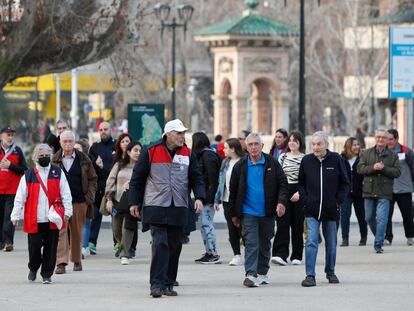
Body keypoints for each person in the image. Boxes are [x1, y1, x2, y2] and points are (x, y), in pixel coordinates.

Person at [128, 119, 205, 298]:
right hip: (156, 206)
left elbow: (197, 178)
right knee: (160, 243)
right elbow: (137, 179)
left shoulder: (188, 153)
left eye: (183, 133)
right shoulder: (151, 151)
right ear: (168, 134)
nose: (182, 136)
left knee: (174, 246)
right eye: (179, 133)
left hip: (179, 206)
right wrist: (134, 202)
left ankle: (168, 283)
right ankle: (156, 284)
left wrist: (200, 198)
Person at [229, 132, 288, 288]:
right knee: (251, 242)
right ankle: (250, 274)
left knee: (264, 242)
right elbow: (233, 191)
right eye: (250, 144)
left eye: (256, 144)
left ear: (262, 146)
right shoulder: (240, 166)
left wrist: (281, 202)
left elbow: (283, 184)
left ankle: (262, 272)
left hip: (268, 212)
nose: (254, 147)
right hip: (248, 212)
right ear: (246, 147)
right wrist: (234, 214)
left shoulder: (272, 163)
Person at [10, 144, 73, 284]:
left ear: (50, 157)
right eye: (41, 156)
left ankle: (46, 274)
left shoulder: (57, 172)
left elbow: (66, 194)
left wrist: (68, 212)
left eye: (47, 155)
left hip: (53, 218)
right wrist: (15, 215)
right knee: (34, 248)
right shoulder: (28, 175)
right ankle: (33, 267)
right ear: (35, 158)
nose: (44, 158)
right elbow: (20, 197)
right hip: (34, 218)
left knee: (51, 249)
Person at [299, 131, 349, 287]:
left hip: (331, 210)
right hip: (311, 210)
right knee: (311, 242)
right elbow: (300, 183)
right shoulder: (306, 161)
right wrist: (305, 200)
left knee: (331, 243)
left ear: (326, 145)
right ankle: (310, 276)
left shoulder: (336, 160)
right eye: (313, 144)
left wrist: (338, 201)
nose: (315, 147)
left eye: (319, 144)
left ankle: (330, 272)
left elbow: (345, 183)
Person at [53, 130, 97, 274]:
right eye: (64, 141)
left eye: (70, 141)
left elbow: (92, 179)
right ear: (60, 142)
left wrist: (88, 197)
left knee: (77, 232)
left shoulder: (84, 159)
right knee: (61, 232)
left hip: (79, 201)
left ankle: (76, 260)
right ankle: (61, 263)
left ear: (74, 142)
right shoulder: (54, 160)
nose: (67, 144)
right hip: (60, 203)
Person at [357, 128, 401, 253]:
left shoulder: (393, 155)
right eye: (378, 137)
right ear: (375, 138)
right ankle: (379, 236)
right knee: (368, 217)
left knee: (382, 219)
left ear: (387, 140)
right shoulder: (367, 153)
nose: (380, 139)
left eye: (383, 137)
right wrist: (373, 168)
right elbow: (360, 169)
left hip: (384, 191)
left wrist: (383, 168)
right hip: (369, 190)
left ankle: (378, 244)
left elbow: (397, 172)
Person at [271, 131, 306, 266]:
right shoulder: (283, 157)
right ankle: (280, 254)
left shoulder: (305, 158)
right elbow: (278, 177)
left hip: (298, 192)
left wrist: (300, 193)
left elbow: (306, 180)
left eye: (295, 141)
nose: (292, 143)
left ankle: (297, 255)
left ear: (300, 143)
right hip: (284, 191)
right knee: (282, 223)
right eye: (290, 140)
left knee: (297, 225)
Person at [106, 141, 142, 265]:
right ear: (128, 152)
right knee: (116, 229)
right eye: (135, 150)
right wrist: (109, 200)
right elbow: (110, 181)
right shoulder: (119, 165)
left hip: (133, 202)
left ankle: (124, 254)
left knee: (128, 228)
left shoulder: (142, 166)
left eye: (140, 151)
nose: (138, 153)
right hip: (117, 201)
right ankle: (123, 246)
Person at [214, 138, 245, 266]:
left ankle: (250, 254)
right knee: (232, 229)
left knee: (245, 229)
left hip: (243, 201)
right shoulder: (225, 162)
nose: (223, 150)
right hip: (227, 200)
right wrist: (217, 199)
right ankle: (236, 255)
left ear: (233, 149)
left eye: (226, 147)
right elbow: (220, 183)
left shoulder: (245, 162)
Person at [192, 132, 221, 264]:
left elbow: (213, 180)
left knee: (207, 224)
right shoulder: (206, 154)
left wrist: (210, 199)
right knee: (204, 225)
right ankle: (209, 251)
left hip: (208, 198)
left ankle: (213, 253)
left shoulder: (208, 156)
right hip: (205, 196)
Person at [87, 122, 116, 255]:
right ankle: (92, 243)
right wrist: (96, 164)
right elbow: (90, 167)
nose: (103, 131)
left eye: (106, 129)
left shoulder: (117, 145)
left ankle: (118, 243)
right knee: (96, 215)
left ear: (111, 130)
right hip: (99, 187)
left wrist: (103, 167)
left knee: (116, 216)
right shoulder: (94, 147)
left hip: (114, 186)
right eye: (101, 129)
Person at [0, 126, 28, 251]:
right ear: (1, 136)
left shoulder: (17, 150)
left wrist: (11, 166)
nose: (10, 137)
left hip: (12, 190)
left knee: (8, 216)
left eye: (12, 135)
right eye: (8, 135)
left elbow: (24, 169)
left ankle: (8, 242)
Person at [385, 129, 414, 246]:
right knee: (387, 216)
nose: (389, 141)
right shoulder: (383, 152)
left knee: (407, 215)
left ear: (396, 139)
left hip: (404, 189)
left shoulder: (406, 151)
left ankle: (410, 236)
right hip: (388, 189)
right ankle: (388, 238)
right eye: (387, 139)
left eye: (391, 139)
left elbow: (413, 168)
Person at [339, 137, 368, 246]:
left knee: (361, 215)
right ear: (348, 147)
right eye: (354, 145)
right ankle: (345, 239)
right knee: (345, 216)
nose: (357, 147)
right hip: (346, 193)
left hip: (360, 191)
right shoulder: (341, 159)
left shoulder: (363, 158)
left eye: (358, 144)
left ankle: (363, 237)